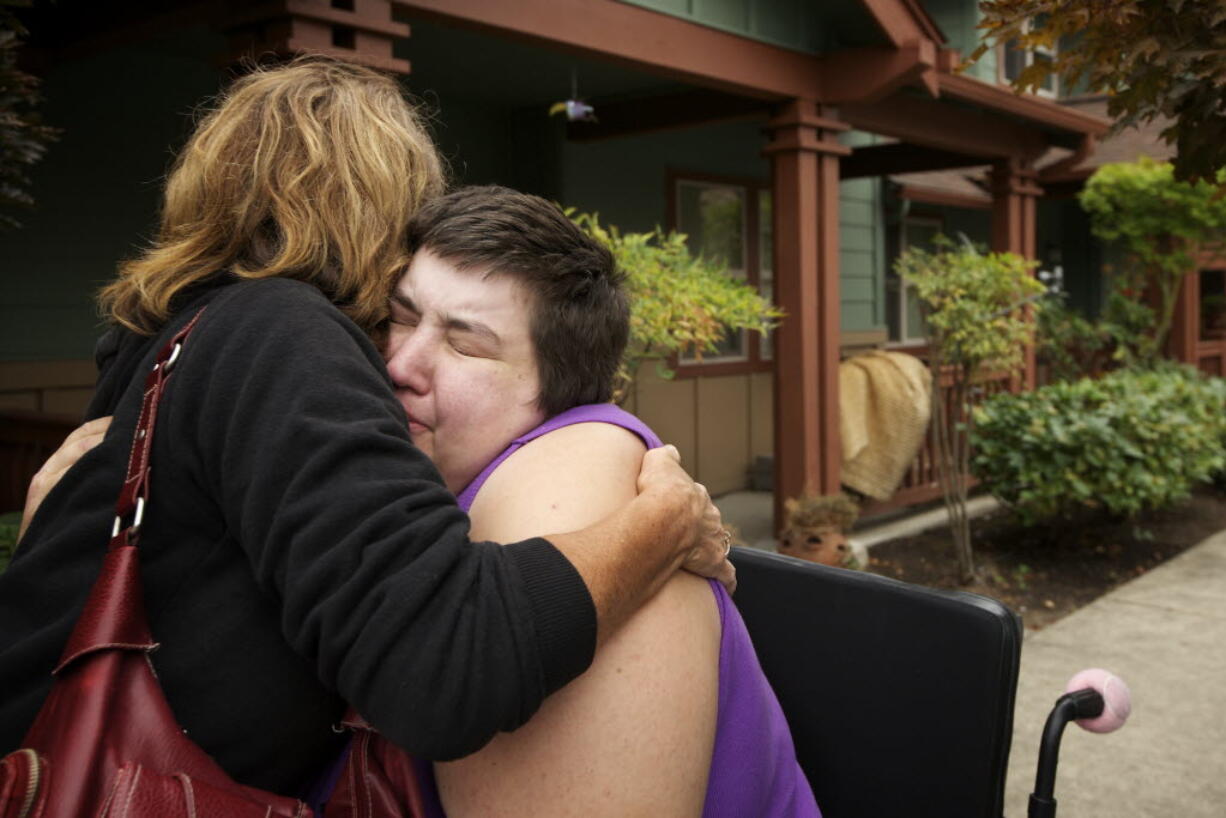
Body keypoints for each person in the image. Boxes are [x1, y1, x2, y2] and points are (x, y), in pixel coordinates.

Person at [0, 57, 731, 798]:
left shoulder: (169, 339)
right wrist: (662, 523)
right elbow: (444, 664)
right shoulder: (277, 332)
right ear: (387, 205)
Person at [353, 185, 820, 817]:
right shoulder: (411, 484)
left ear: (556, 400)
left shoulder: (570, 482)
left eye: (467, 344)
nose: (400, 362)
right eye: (401, 316)